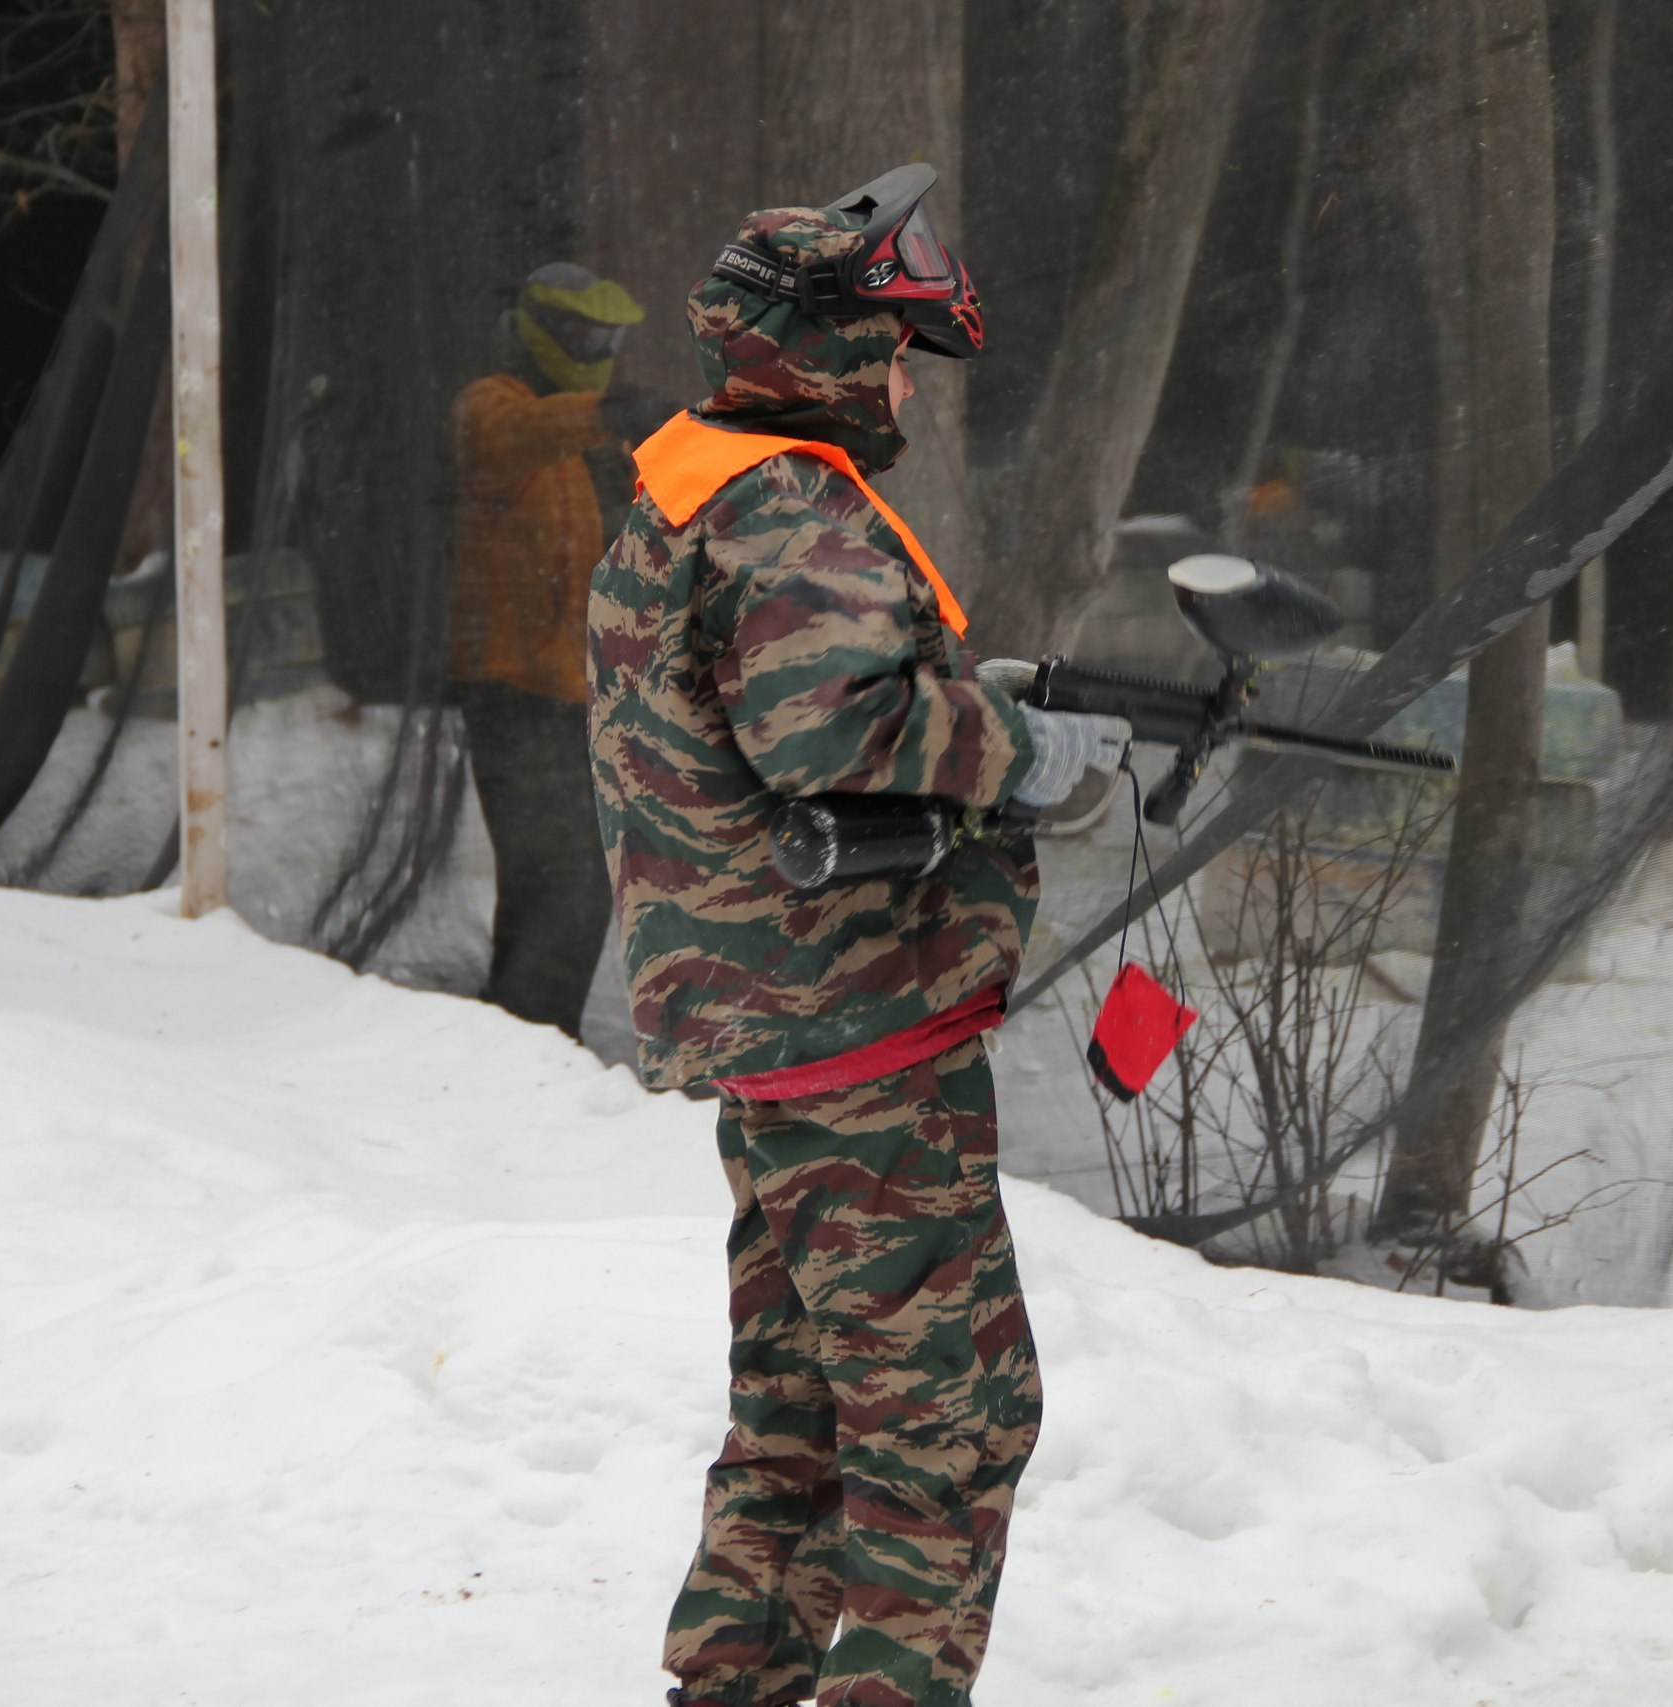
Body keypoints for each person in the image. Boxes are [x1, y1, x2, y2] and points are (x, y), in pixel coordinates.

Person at [586, 168, 1120, 1707]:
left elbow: (773, 697)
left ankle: (732, 1684)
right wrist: (1028, 751)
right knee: (947, 1424)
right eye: (887, 350)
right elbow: (831, 725)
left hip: (768, 1021)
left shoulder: (689, 479)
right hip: (854, 1030)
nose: (900, 382)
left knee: (804, 1408)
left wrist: (972, 688)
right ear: (814, 348)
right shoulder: (790, 502)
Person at [451, 262, 665, 1037]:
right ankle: (526, 1041)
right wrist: (610, 409)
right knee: (561, 881)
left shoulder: (577, 436)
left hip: (569, 695)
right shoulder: (493, 407)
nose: (597, 346)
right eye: (583, 334)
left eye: (607, 336)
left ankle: (524, 1042)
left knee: (567, 882)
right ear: (537, 329)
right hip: (510, 694)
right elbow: (518, 435)